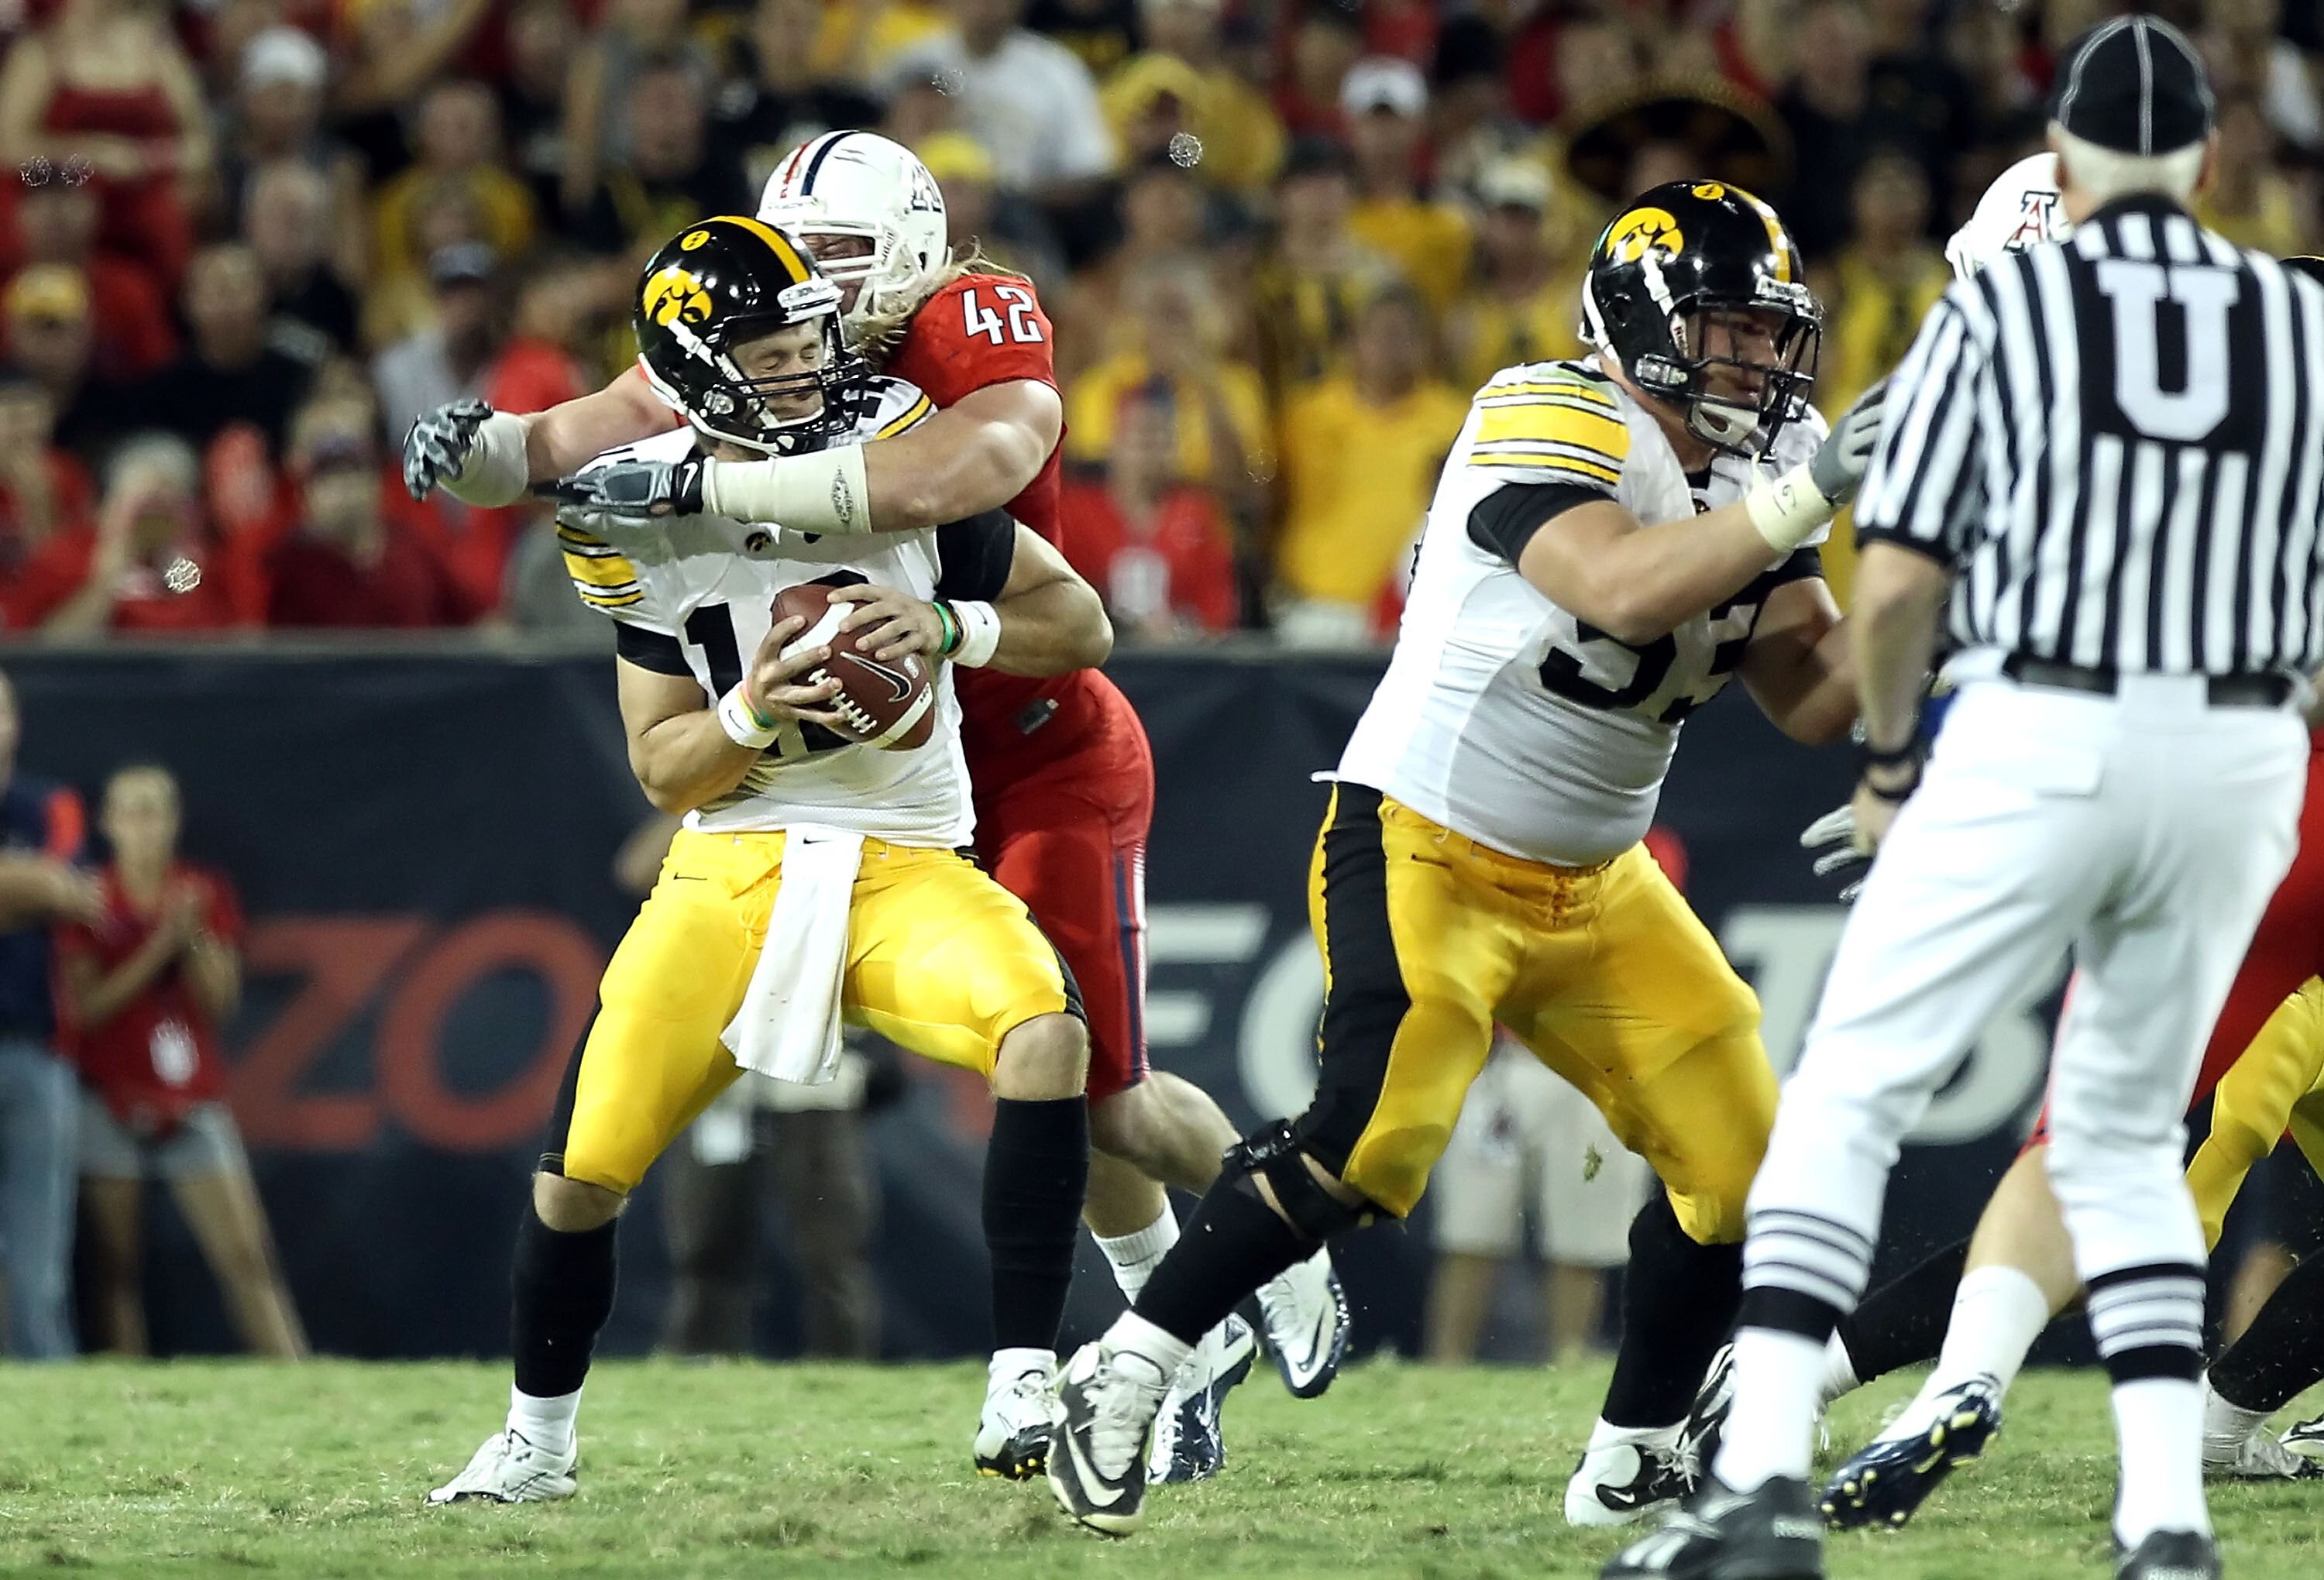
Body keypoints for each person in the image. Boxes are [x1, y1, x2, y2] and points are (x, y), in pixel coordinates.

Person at [404, 130, 1350, 1484]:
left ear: (908, 247)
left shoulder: (944, 353)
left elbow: (954, 494)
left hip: (1023, 744)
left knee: (1098, 1082)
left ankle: (1230, 1274)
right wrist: (492, 452)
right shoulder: (647, 492)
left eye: (834, 276)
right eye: (789, 301)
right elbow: (583, 446)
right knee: (590, 1159)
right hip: (767, 834)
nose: (817, 320)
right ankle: (1178, 1336)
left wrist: (732, 501)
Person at [1041, 180, 1886, 1537]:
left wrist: (1940, 564)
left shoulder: (1769, 458)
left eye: (1767, 332)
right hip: (1432, 835)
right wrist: (1808, 495)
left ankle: (1639, 1450)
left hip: (1601, 880)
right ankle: (1133, 1364)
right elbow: (1619, 586)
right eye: (1726, 330)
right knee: (1380, 1140)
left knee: (1744, 1166)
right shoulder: (1546, 410)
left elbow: (1813, 693)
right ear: (1642, 323)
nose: (1758, 361)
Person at [1607, 21, 2324, 1580]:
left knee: (1852, 1094)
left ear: (2060, 163)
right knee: (2130, 1142)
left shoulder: (2004, 319)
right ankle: (2165, 1519)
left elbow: (1901, 580)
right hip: (2250, 770)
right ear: (2205, 163)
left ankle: (1756, 1492)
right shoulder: (2298, 316)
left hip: (2043, 730)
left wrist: (1885, 774)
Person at [425, 219, 1107, 1501]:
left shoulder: (888, 450)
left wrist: (952, 623)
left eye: (807, 334)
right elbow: (661, 767)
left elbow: (1082, 620)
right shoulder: (633, 520)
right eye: (768, 345)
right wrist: (758, 710)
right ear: (694, 363)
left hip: (905, 854)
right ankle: (537, 1441)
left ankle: (1025, 1374)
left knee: (1046, 1034)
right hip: (731, 863)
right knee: (582, 1170)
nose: (805, 363)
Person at [57, 762, 305, 1358]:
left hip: (191, 1095)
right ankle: (127, 1389)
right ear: (110, 823)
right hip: (109, 1093)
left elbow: (220, 1001)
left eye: (156, 812)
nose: (146, 826)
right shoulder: (91, 896)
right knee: (117, 1265)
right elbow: (86, 1009)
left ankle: (299, 1377)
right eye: (132, 812)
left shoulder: (201, 891)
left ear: (174, 822)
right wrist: (160, 944)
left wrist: (191, 937)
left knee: (247, 1254)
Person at [1424, 1029, 1654, 1365]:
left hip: (1599, 1062)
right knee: (1469, 1236)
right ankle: (1444, 1366)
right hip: (1494, 1059)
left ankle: (1567, 1366)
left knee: (1581, 1243)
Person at [1271, 284, 1467, 644]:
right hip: (1318, 608)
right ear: (1352, 344)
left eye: (1403, 335)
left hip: (1414, 613)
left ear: (1426, 345)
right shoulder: (1308, 415)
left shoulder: (1457, 420)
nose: (1390, 347)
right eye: (1379, 334)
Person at [0, 666, 99, 1358]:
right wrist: (28, 890)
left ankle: (53, 1403)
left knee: (38, 1264)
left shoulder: (49, 804)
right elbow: (46, 889)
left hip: (35, 1047)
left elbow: (78, 893)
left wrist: (47, 889)